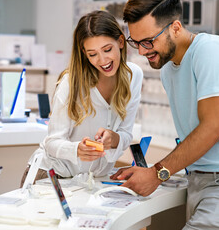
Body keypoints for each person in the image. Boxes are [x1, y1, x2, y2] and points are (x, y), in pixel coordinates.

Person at [111, 0, 219, 229]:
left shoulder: (210, 51)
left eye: (148, 41)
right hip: (196, 182)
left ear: (175, 27)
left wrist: (156, 173)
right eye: (136, 42)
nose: (142, 51)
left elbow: (212, 129)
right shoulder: (167, 69)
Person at [20, 10, 143, 186]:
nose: (102, 60)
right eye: (92, 54)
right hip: (51, 176)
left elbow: (125, 134)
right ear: (84, 53)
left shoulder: (133, 76)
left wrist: (113, 138)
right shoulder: (70, 82)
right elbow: (52, 142)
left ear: (121, 42)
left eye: (107, 49)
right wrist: (76, 150)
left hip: (91, 181)